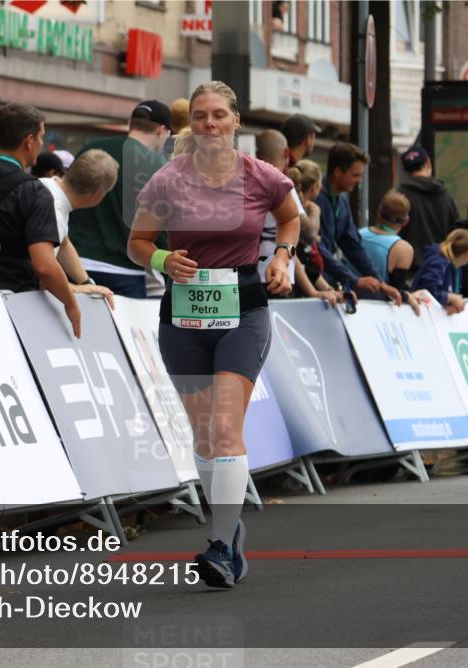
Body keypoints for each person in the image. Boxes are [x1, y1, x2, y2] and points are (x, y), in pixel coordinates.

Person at [128, 81, 300, 589]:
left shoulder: (261, 175)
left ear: (235, 121)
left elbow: (290, 218)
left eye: (219, 115)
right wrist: (163, 258)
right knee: (203, 436)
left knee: (226, 428)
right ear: (191, 124)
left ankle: (222, 544)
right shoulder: (168, 180)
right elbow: (137, 242)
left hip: (243, 310)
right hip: (183, 316)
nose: (209, 124)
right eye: (200, 116)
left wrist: (283, 257)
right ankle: (229, 528)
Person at [0, 103, 80, 336]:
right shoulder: (34, 191)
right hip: (15, 305)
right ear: (29, 140)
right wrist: (70, 302)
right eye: (42, 137)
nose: (43, 144)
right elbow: (44, 265)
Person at [69, 100, 171, 298]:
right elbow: (162, 230)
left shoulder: (91, 149)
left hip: (76, 264)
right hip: (125, 273)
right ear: (161, 130)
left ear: (130, 123)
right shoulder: (158, 166)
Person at [316, 142, 401, 304]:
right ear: (338, 172)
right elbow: (317, 250)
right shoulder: (316, 200)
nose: (360, 181)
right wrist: (354, 280)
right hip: (312, 280)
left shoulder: (342, 201)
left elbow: (353, 246)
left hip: (326, 280)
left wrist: (381, 283)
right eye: (355, 175)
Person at [38, 149, 119, 307]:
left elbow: (63, 243)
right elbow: (43, 276)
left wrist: (87, 282)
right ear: (96, 196)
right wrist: (79, 289)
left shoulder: (46, 184)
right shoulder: (55, 212)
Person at [255, 129, 306, 291]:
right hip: (279, 277)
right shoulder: (282, 185)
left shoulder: (246, 182)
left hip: (248, 275)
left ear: (257, 154)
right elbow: (306, 230)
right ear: (286, 152)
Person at [396, 145, 460, 271]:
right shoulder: (446, 197)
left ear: (405, 170)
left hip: (409, 271)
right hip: (441, 269)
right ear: (428, 163)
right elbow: (456, 233)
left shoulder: (398, 197)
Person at [287, 159, 340, 304]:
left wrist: (328, 290)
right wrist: (316, 213)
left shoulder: (298, 207)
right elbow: (308, 239)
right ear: (315, 186)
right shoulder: (300, 212)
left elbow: (307, 264)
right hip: (292, 290)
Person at [360, 190, 416, 300]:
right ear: (406, 221)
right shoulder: (403, 249)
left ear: (379, 213)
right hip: (379, 310)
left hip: (348, 304)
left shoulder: (357, 234)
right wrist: (409, 296)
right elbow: (396, 293)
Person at [412, 228, 468, 315]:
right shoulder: (438, 263)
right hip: (420, 315)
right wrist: (451, 298)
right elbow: (427, 292)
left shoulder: (456, 267)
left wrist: (449, 304)